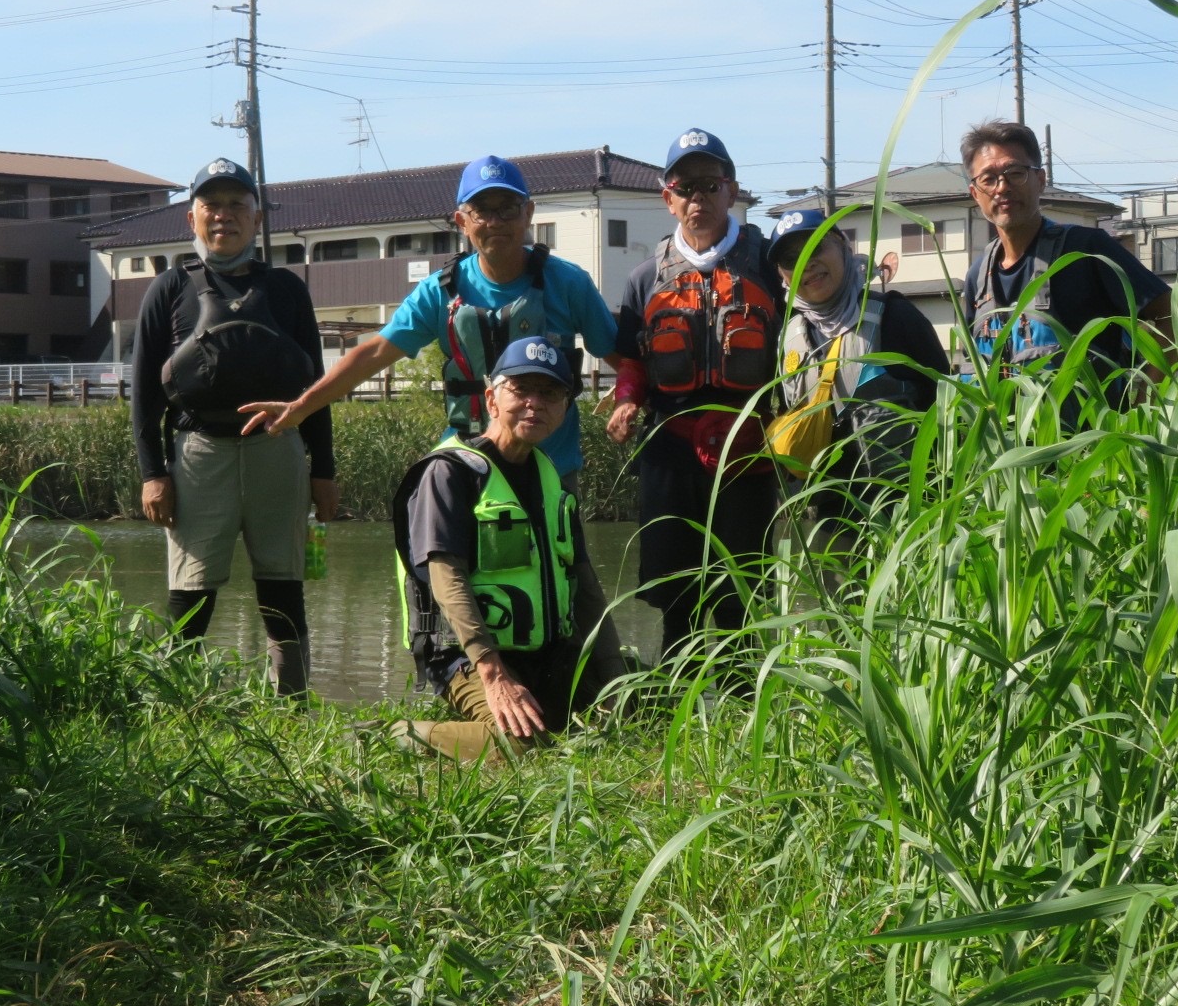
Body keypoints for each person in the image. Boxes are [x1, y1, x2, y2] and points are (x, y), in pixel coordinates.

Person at [240, 155, 619, 486]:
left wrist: (630, 396)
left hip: (551, 467)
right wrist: (301, 407)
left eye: (508, 208)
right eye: (481, 211)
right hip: (469, 461)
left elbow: (620, 356)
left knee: (564, 567)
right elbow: (372, 354)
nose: (495, 221)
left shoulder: (568, 282)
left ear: (529, 213)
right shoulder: (440, 291)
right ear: (461, 221)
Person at [134, 158, 338, 697]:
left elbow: (316, 387)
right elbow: (144, 394)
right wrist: (153, 473)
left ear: (256, 217)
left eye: (236, 205)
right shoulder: (168, 288)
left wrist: (325, 471)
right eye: (212, 206)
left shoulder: (287, 289)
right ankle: (175, 705)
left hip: (279, 450)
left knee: (283, 584)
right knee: (191, 587)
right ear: (192, 219)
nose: (224, 216)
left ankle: (292, 708)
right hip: (198, 452)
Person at [391, 337, 624, 765]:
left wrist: (615, 678)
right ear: (491, 399)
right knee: (523, 747)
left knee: (648, 706)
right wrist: (493, 671)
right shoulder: (450, 473)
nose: (535, 403)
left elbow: (585, 585)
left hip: (545, 653)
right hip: (467, 657)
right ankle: (401, 735)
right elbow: (446, 578)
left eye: (550, 392)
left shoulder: (551, 478)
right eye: (521, 389)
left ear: (564, 408)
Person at [606, 127, 782, 658]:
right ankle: (673, 704)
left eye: (710, 185)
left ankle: (740, 710)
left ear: (732, 190)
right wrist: (626, 399)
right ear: (668, 198)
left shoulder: (771, 265)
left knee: (740, 590)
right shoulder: (645, 277)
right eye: (685, 188)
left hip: (748, 449)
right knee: (675, 589)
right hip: (670, 451)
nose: (697, 199)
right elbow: (631, 360)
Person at [959, 120, 1172, 389]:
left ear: (1040, 180)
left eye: (1015, 173)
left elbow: (1168, 313)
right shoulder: (978, 277)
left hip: (1091, 430)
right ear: (975, 193)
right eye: (988, 179)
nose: (1002, 187)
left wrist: (1146, 402)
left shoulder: (1086, 250)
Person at [767, 206, 950, 508]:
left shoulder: (895, 316)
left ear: (842, 244)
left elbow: (945, 407)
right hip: (824, 524)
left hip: (901, 513)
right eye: (791, 259)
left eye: (816, 247)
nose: (807, 263)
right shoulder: (789, 337)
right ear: (782, 274)